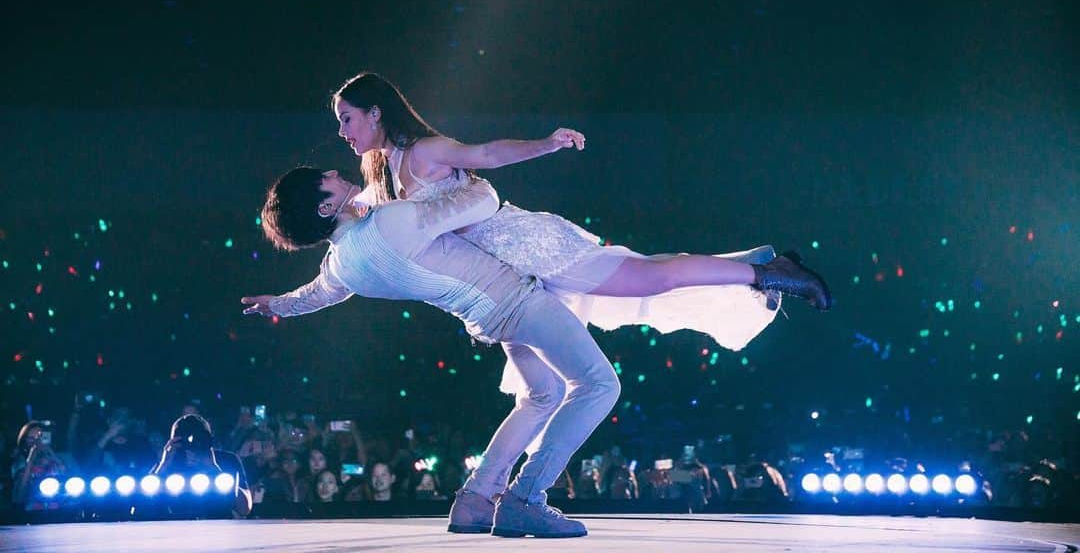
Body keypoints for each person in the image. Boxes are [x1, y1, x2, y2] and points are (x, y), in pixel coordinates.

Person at [330, 72, 831, 393]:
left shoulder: (423, 151)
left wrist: (546, 144)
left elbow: (486, 155)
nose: (343, 132)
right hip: (511, 274)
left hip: (527, 249)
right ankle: (507, 492)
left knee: (653, 279)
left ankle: (770, 273)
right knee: (641, 286)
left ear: (375, 112)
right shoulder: (392, 172)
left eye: (347, 118)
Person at [243, 169, 618, 537]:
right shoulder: (388, 220)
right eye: (323, 179)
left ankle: (476, 497)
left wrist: (277, 305)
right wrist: (458, 172)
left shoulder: (341, 266)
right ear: (324, 208)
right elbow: (483, 200)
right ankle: (526, 496)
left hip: (487, 319)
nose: (333, 171)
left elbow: (315, 295)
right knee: (599, 385)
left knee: (543, 395)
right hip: (518, 303)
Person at [151, 414, 253, 518]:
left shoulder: (227, 460)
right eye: (183, 440)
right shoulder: (169, 463)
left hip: (218, 527)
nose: (191, 444)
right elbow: (143, 504)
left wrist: (214, 468)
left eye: (199, 439)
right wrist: (163, 466)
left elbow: (244, 508)